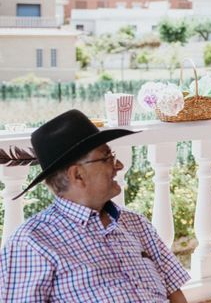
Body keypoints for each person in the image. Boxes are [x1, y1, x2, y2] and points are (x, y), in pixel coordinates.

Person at [0, 110, 190, 302]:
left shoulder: (136, 223)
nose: (119, 165)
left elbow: (174, 292)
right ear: (77, 175)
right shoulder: (31, 243)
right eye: (107, 157)